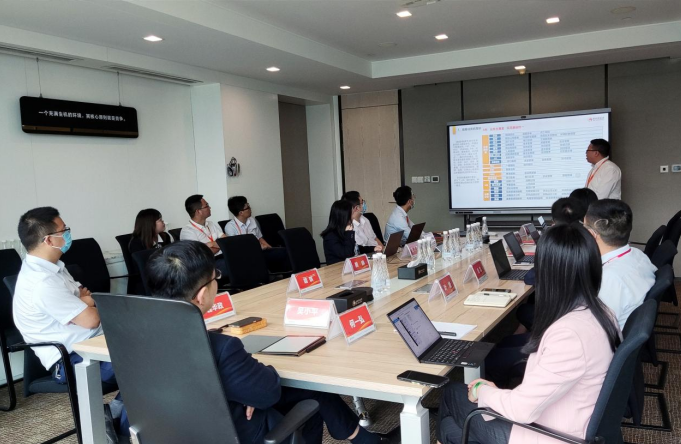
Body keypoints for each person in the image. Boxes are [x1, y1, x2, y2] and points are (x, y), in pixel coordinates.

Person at [145, 241, 387, 444]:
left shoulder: (139, 339)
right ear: (201, 296)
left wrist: (237, 390)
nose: (217, 281)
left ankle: (360, 437)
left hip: (169, 433)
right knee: (310, 394)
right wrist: (246, 389)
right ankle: (361, 437)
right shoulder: (221, 347)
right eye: (215, 277)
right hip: (241, 433)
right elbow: (268, 392)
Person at [438, 224, 620, 444]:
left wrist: (482, 391)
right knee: (450, 429)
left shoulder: (569, 334)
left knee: (451, 393)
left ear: (547, 272)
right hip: (567, 418)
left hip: (550, 434)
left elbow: (522, 410)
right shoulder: (601, 311)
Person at [12, 207, 128, 435]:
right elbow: (91, 319)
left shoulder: (55, 268)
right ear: (48, 240)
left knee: (153, 348)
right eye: (64, 230)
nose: (68, 234)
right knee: (147, 360)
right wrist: (84, 303)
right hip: (70, 359)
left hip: (92, 343)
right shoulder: (42, 282)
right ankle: (120, 427)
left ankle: (114, 414)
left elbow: (87, 297)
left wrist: (83, 302)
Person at [584, 199, 656, 330]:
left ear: (591, 234)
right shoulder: (638, 255)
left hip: (609, 336)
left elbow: (593, 329)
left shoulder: (609, 279)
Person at [224, 196, 290, 272]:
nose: (250, 209)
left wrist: (270, 248)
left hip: (260, 251)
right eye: (248, 207)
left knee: (284, 252)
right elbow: (237, 249)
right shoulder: (230, 227)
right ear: (241, 213)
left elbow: (260, 238)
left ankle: (285, 275)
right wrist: (258, 248)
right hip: (246, 255)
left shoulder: (252, 220)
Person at [180, 194, 227, 275]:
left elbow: (226, 240)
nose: (210, 207)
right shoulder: (187, 231)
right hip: (207, 265)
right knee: (236, 263)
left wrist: (212, 244)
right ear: (198, 211)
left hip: (223, 257)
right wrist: (221, 244)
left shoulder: (211, 224)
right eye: (207, 206)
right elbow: (202, 254)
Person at [321, 200, 356, 265]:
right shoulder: (330, 236)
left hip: (348, 267)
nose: (353, 217)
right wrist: (349, 233)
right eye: (352, 213)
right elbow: (347, 254)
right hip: (337, 269)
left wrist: (372, 248)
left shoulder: (343, 230)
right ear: (345, 216)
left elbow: (356, 248)